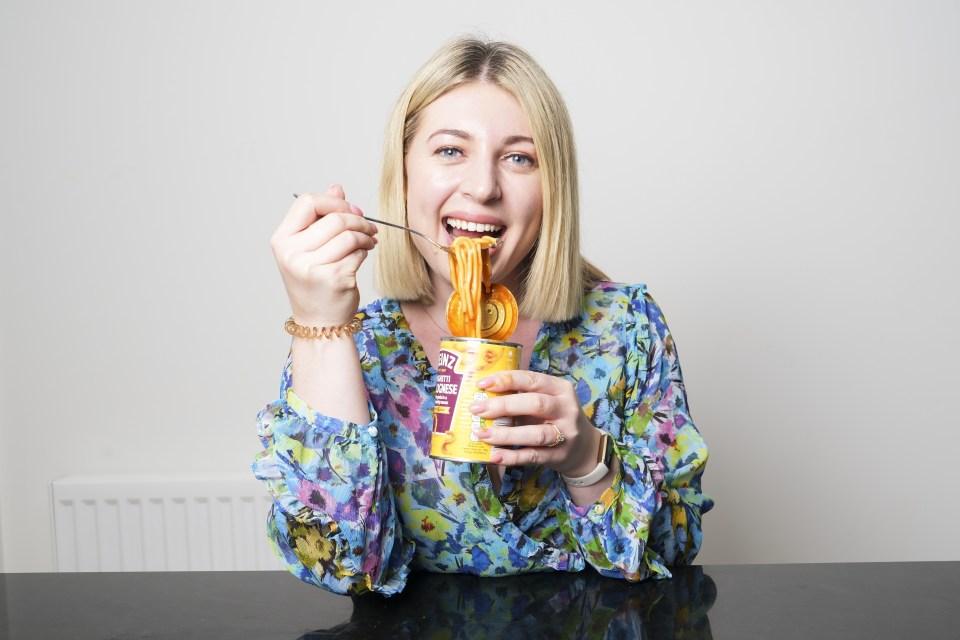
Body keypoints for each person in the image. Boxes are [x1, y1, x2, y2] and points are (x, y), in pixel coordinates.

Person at [253, 36, 712, 597]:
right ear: (403, 173)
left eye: (520, 158)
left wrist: (586, 459)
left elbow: (674, 548)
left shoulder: (625, 328)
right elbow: (345, 567)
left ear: (552, 190)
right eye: (450, 151)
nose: (483, 187)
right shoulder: (359, 345)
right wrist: (319, 322)